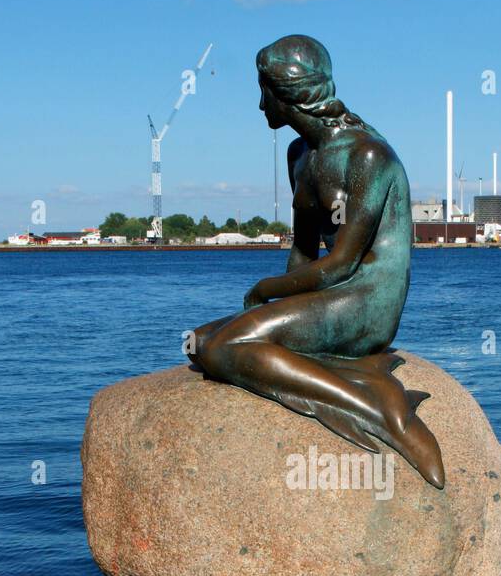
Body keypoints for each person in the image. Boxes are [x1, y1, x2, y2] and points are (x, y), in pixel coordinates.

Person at [188, 35, 444, 488]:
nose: (259, 102)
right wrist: (274, 311)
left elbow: (344, 262)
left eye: (262, 89)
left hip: (366, 300)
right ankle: (343, 370)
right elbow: (304, 250)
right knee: (200, 341)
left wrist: (268, 293)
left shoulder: (368, 156)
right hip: (330, 293)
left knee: (226, 348)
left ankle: (377, 407)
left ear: (285, 91)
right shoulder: (300, 156)